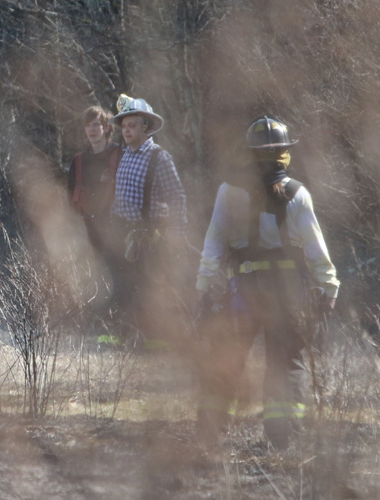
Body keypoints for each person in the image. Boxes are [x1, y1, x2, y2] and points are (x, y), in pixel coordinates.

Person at [194, 116, 339, 450]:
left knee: (226, 358)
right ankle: (282, 438)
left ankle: (207, 436)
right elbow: (317, 249)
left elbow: (213, 244)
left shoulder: (228, 192)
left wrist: (203, 287)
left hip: (242, 291)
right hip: (287, 292)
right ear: (283, 153)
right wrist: (329, 289)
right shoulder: (297, 194)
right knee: (286, 362)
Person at [103, 95, 189, 347]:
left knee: (150, 289)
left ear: (145, 127)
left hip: (150, 238)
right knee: (123, 288)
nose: (126, 130)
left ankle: (156, 340)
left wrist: (178, 234)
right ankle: (127, 337)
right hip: (123, 233)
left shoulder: (159, 157)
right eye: (124, 126)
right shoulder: (125, 155)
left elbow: (177, 197)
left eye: (132, 125)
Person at [67, 105, 122, 253]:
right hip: (88, 236)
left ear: (106, 128)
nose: (92, 129)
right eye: (88, 125)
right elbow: (71, 203)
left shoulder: (120, 154)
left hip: (118, 231)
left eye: (96, 124)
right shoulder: (78, 162)